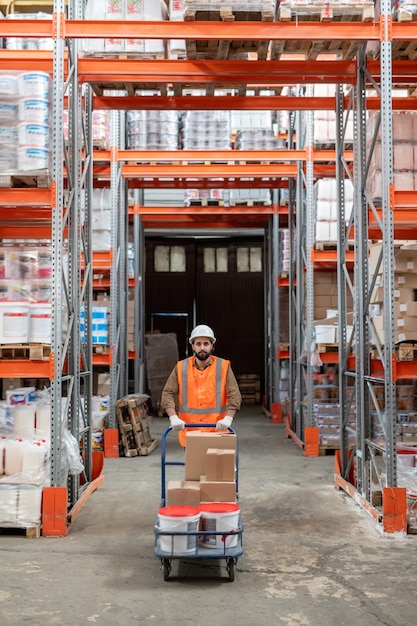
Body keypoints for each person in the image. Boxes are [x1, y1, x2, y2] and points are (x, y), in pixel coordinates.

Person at [160, 324, 242, 446]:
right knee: (194, 465)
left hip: (217, 430)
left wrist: (228, 418)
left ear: (212, 346)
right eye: (198, 344)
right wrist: (173, 417)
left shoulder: (223, 367)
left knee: (215, 465)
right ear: (192, 346)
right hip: (190, 430)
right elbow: (168, 392)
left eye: (206, 344)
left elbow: (234, 394)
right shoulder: (181, 367)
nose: (202, 348)